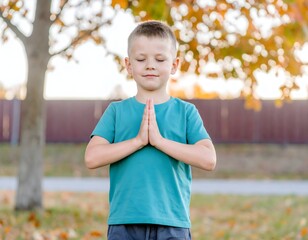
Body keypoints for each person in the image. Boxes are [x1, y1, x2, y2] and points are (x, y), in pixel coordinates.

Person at [85, 20, 216, 240]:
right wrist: (138, 141)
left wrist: (159, 141)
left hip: (172, 223)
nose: (150, 65)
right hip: (124, 223)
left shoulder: (186, 112)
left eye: (160, 59)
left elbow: (209, 159)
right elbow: (92, 157)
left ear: (174, 65)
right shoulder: (117, 111)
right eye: (141, 59)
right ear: (128, 65)